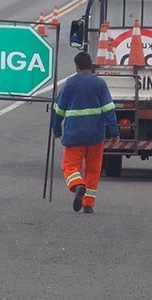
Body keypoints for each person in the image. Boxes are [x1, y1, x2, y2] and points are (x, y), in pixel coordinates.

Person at [51, 51, 119, 214]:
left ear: (77, 66)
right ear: (91, 66)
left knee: (70, 166)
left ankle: (77, 185)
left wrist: (56, 128)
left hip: (74, 134)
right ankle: (88, 204)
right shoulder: (100, 84)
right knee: (93, 169)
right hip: (96, 135)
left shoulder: (70, 84)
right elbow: (108, 109)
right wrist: (114, 131)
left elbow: (59, 109)